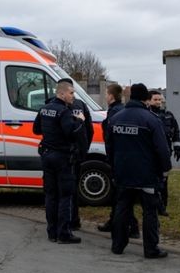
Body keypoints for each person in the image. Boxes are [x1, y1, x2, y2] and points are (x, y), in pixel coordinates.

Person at [106, 83, 171, 259]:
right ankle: (151, 249)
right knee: (149, 212)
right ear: (145, 99)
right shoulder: (151, 120)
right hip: (146, 174)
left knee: (122, 208)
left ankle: (117, 245)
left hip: (122, 172)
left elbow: (109, 146)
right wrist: (165, 169)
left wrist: (114, 166)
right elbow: (162, 149)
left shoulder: (116, 118)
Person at [32, 80, 85, 244]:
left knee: (50, 195)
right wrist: (80, 121)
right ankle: (64, 233)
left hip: (47, 156)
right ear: (61, 93)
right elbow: (72, 133)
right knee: (65, 195)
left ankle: (52, 232)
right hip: (62, 158)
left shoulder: (44, 109)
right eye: (71, 93)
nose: (73, 96)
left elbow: (36, 130)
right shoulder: (64, 112)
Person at [96, 84, 138, 238]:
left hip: (117, 158)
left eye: (107, 94)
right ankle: (116, 222)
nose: (106, 96)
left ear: (111, 96)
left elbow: (110, 137)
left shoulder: (114, 112)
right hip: (123, 157)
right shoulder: (121, 110)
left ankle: (131, 227)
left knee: (120, 194)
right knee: (119, 194)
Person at [57, 77, 93, 231]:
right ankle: (74, 220)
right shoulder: (81, 105)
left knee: (60, 190)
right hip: (77, 152)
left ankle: (63, 222)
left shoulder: (57, 105)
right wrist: (84, 148)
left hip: (62, 152)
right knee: (73, 187)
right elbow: (89, 129)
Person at [147, 89, 180, 216]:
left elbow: (176, 132)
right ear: (149, 101)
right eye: (155, 100)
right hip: (150, 154)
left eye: (160, 100)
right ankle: (153, 205)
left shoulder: (169, 116)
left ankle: (162, 207)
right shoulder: (147, 115)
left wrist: (177, 147)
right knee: (152, 181)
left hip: (165, 153)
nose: (158, 102)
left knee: (164, 180)